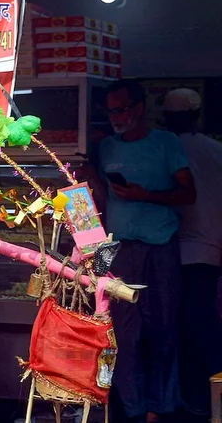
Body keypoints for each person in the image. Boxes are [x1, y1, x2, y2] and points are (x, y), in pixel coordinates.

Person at [94, 80, 196, 423]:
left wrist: (146, 195)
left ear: (140, 108)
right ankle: (133, 407)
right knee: (124, 332)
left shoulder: (165, 144)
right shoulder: (106, 147)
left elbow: (188, 194)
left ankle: (160, 406)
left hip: (160, 247)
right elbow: (97, 195)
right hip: (119, 249)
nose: (115, 117)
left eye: (121, 109)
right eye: (110, 111)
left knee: (162, 327)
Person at [161, 88, 222, 417]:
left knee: (188, 328)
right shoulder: (216, 150)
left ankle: (198, 401)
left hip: (178, 250)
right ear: (197, 116)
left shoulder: (164, 148)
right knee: (203, 324)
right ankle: (205, 401)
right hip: (210, 250)